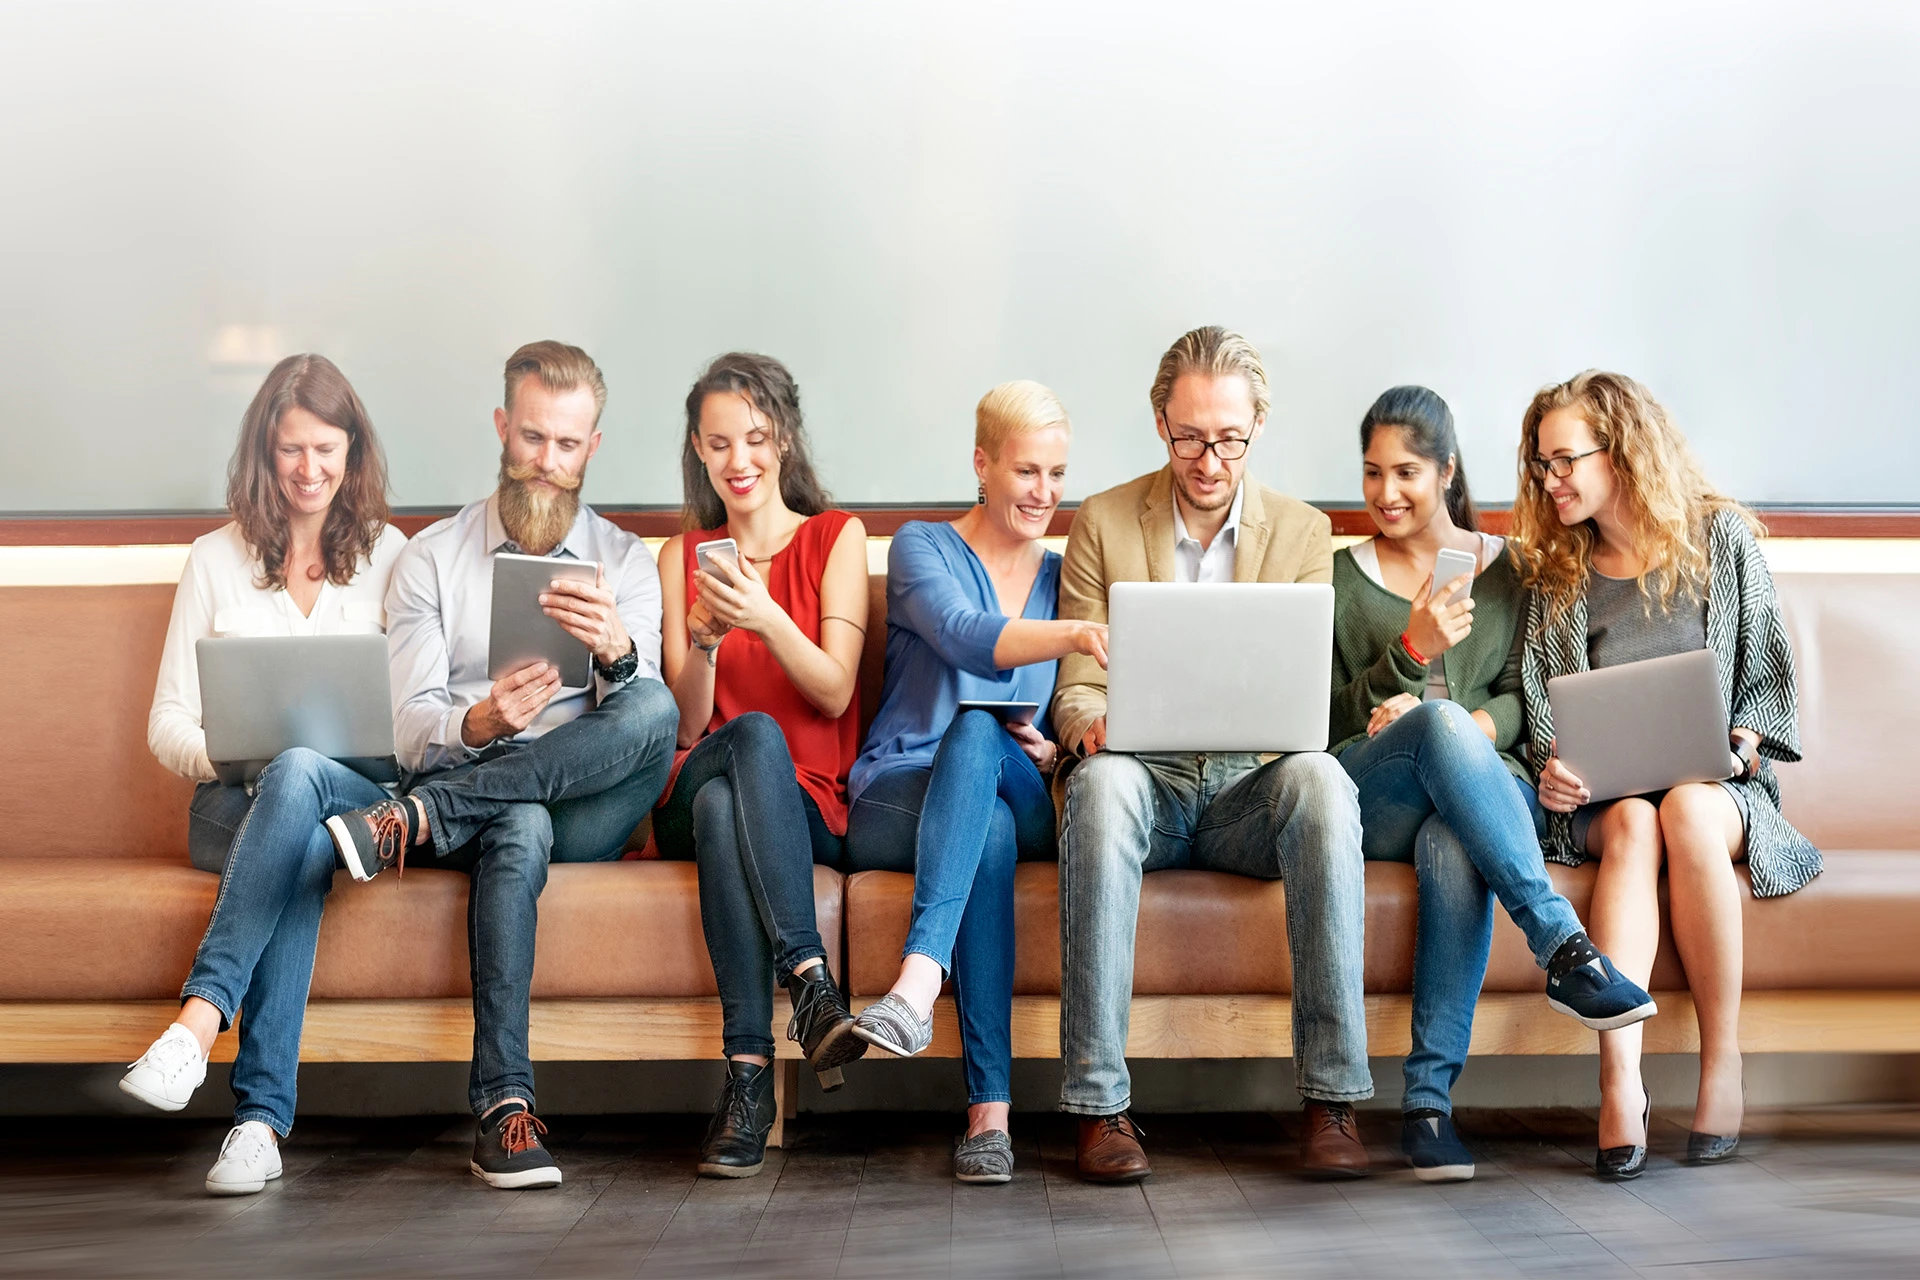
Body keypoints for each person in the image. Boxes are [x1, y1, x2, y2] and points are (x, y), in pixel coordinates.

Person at [325, 341, 678, 1190]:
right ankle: (503, 1109)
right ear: (500, 428)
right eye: (530, 439)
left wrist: (619, 654)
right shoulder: (431, 559)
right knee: (516, 820)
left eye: (565, 445)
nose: (546, 464)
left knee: (655, 704)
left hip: (584, 802)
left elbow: (648, 721)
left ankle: (411, 824)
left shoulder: (626, 561)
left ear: (592, 446)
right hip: (482, 787)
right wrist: (481, 719)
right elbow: (409, 732)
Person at [1051, 326, 1371, 1183]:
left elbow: (1305, 700)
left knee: (1325, 781)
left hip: (1245, 791)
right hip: (1140, 782)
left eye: (1228, 437)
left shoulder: (1303, 533)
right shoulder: (1105, 521)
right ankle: (1098, 1105)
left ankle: (1332, 1098)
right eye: (1190, 436)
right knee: (1103, 785)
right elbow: (1075, 687)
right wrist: (1093, 725)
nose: (1208, 458)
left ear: (1257, 425)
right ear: (1161, 421)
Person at [1327, 385, 1655, 1183]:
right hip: (1379, 792)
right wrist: (1409, 652)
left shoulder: (1515, 570)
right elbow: (1324, 719)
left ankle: (1428, 1109)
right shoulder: (1339, 578)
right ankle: (1564, 948)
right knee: (1432, 733)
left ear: (1446, 471)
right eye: (1371, 474)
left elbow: (1531, 689)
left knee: (1454, 836)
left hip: (1485, 796)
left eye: (1405, 471)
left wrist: (1476, 725)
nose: (1384, 493)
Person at [1510, 370, 1820, 1179]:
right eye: (1542, 465)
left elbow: (1768, 683)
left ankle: (1724, 1061)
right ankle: (1621, 1082)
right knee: (1639, 820)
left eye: (1567, 459)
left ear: (1623, 451)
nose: (1553, 480)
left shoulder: (1721, 541)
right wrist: (1554, 774)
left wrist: (1744, 740)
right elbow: (1546, 712)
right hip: (1607, 804)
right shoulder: (1557, 574)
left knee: (1682, 806)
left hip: (1717, 790)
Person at [122, 354, 408, 1195]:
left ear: (353, 452)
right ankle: (257, 1124)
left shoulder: (395, 558)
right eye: (291, 450)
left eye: (326, 449)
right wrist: (235, 752)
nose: (309, 470)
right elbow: (167, 723)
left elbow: (419, 724)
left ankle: (196, 1029)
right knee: (294, 811)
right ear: (264, 451)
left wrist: (295, 765)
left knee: (303, 783)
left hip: (359, 801)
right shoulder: (215, 559)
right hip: (231, 806)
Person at [843, 381, 1107, 1185]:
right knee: (976, 775)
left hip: (1020, 785)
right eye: (1027, 471)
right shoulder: (920, 546)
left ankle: (916, 989)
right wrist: (1076, 634)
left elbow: (1077, 712)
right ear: (982, 465)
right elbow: (963, 638)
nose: (1045, 494)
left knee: (985, 746)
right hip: (901, 791)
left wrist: (1060, 754)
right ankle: (988, 1119)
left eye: (1059, 475)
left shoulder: (1068, 573)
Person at [653, 352, 870, 1180]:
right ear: (700, 452)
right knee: (741, 746)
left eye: (754, 438)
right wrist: (707, 638)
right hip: (695, 778)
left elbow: (835, 691)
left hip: (802, 799)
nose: (738, 461)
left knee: (747, 774)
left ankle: (747, 1082)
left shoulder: (835, 537)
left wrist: (769, 616)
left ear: (781, 438)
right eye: (718, 445)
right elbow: (686, 723)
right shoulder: (684, 556)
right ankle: (812, 986)